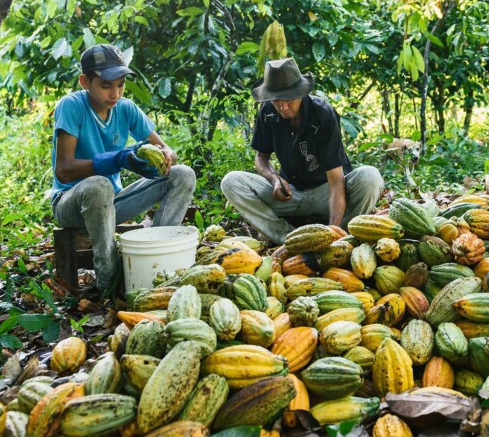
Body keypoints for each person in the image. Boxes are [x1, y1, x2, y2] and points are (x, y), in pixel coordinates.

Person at [49, 43, 196, 297]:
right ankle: (110, 280)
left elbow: (166, 148)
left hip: (112, 202)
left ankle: (157, 257)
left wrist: (163, 156)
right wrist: (116, 159)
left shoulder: (125, 108)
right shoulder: (71, 106)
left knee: (183, 174)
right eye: (106, 86)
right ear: (85, 82)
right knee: (99, 185)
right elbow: (64, 170)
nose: (115, 93)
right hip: (71, 202)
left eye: (120, 85)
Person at [221, 57, 383, 244]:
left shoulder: (322, 114)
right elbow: (261, 157)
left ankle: (343, 237)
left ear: (300, 93)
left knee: (370, 176)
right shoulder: (267, 112)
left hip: (327, 193)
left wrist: (331, 235)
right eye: (276, 100)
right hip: (292, 195)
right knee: (231, 182)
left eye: (288, 99)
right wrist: (274, 179)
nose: (282, 106)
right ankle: (288, 239)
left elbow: (337, 182)